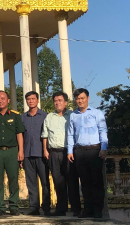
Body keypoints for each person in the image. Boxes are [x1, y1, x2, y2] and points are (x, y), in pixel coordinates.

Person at [67, 88, 108, 219]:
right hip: (79, 151)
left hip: (95, 151)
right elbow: (70, 134)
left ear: (88, 98)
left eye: (82, 98)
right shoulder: (73, 115)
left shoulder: (97, 113)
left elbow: (103, 131)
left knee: (96, 182)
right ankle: (88, 209)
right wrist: (70, 150)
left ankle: (98, 210)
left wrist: (104, 148)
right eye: (77, 98)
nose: (80, 100)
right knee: (84, 183)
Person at [42, 91, 81, 217]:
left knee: (72, 181)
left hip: (68, 153)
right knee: (58, 183)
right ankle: (61, 209)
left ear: (65, 102)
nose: (57, 103)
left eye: (60, 100)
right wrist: (45, 150)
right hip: (53, 153)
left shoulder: (72, 115)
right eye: (55, 101)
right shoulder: (49, 117)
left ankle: (76, 209)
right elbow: (45, 135)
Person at [0, 90, 24, 216]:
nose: (0, 101)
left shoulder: (15, 115)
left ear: (8, 100)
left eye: (3, 98)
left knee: (13, 179)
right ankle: (0, 207)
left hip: (12, 151)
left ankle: (14, 206)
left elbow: (19, 133)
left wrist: (21, 151)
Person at [21, 91, 50, 216]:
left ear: (38, 100)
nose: (31, 101)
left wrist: (47, 150)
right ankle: (34, 207)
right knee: (31, 183)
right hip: (27, 154)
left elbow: (49, 134)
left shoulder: (45, 116)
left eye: (33, 98)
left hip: (41, 154)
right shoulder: (22, 117)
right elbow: (20, 136)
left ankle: (46, 207)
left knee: (44, 182)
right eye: (28, 99)